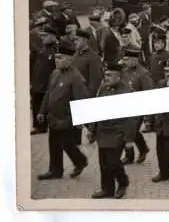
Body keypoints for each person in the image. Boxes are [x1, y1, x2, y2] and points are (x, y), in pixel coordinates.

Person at [36, 40, 89, 180]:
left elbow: (81, 100)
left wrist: (80, 120)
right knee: (54, 144)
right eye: (56, 57)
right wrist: (42, 111)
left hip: (67, 118)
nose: (56, 60)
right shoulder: (55, 73)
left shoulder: (76, 77)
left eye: (60, 57)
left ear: (70, 59)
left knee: (66, 143)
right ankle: (55, 170)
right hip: (54, 117)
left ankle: (80, 161)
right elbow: (49, 93)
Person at [87, 63, 137, 199]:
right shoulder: (103, 88)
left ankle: (123, 183)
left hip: (118, 133)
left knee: (113, 162)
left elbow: (132, 118)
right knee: (103, 163)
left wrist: (129, 139)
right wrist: (92, 129)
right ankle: (107, 189)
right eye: (105, 74)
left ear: (118, 76)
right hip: (103, 132)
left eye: (109, 75)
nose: (106, 77)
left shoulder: (127, 91)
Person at [120, 47, 153, 164]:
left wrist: (148, 117)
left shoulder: (143, 74)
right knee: (128, 130)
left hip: (137, 108)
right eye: (124, 60)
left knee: (129, 130)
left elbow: (148, 93)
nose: (125, 62)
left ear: (135, 60)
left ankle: (129, 156)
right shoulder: (124, 71)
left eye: (127, 60)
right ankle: (143, 149)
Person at [30, 26, 57, 135]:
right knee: (37, 102)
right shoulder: (43, 49)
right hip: (38, 82)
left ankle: (42, 126)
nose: (43, 38)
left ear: (53, 37)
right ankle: (39, 126)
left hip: (47, 82)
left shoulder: (55, 50)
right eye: (42, 36)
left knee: (43, 103)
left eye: (45, 36)